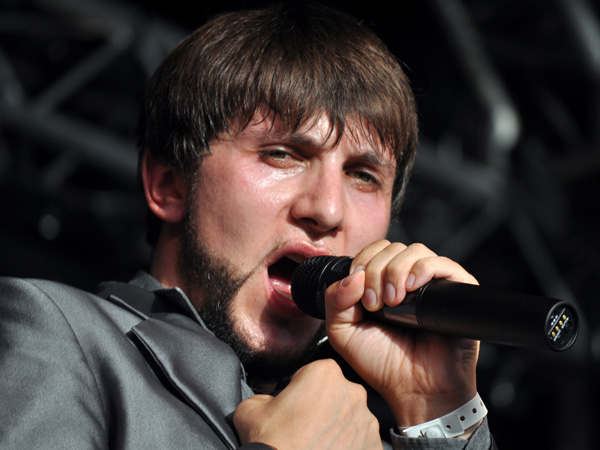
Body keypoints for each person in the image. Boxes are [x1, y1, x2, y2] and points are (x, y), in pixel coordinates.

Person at [0, 3, 496, 449]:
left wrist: (439, 411)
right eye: (282, 154)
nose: (327, 210)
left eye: (363, 175)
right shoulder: (55, 332)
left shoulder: (356, 438)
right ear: (170, 185)